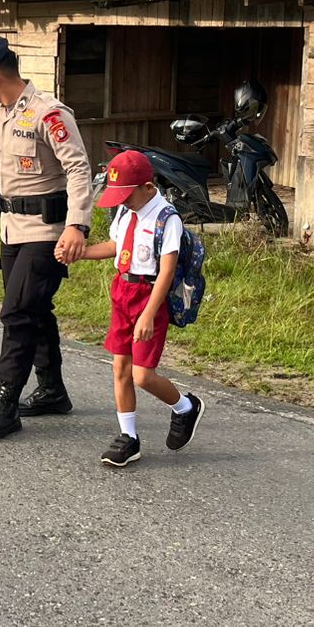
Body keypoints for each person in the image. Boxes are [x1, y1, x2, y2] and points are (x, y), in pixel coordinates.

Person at [0, 36, 95, 439]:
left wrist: (77, 225)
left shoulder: (49, 114)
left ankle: (6, 404)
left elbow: (79, 170)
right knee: (34, 310)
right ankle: (52, 390)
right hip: (11, 228)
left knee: (18, 313)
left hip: (47, 232)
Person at [77, 149, 204, 467]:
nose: (121, 201)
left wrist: (149, 313)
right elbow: (116, 247)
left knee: (143, 375)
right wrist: (81, 252)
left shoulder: (166, 219)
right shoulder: (124, 212)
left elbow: (167, 271)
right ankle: (128, 438)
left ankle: (185, 407)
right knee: (120, 369)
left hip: (149, 298)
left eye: (126, 194)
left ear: (148, 187)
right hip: (123, 293)